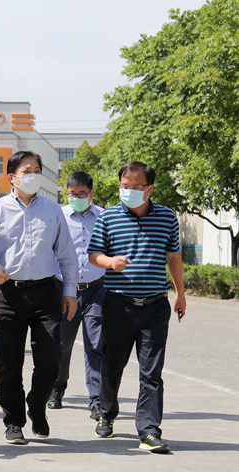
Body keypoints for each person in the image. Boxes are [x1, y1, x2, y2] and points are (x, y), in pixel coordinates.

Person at [0, 150, 78, 445]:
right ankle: (14, 421)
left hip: (45, 293)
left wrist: (70, 292)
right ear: (12, 177)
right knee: (7, 363)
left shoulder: (52, 210)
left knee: (51, 357)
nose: (33, 175)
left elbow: (67, 254)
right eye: (26, 170)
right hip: (6, 293)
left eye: (36, 170)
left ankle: (37, 406)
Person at [88, 161, 185, 454]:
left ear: (149, 188)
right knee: (111, 366)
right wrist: (110, 262)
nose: (128, 191)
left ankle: (149, 431)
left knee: (152, 372)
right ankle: (107, 413)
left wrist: (180, 293)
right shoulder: (108, 217)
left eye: (135, 186)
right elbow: (94, 255)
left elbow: (174, 256)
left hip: (155, 306)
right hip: (118, 304)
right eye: (124, 186)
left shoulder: (167, 217)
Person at [47, 172, 105, 420]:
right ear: (66, 193)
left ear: (91, 193)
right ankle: (57, 389)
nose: (77, 198)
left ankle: (97, 400)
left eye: (82, 194)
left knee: (96, 344)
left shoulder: (104, 217)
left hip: (97, 290)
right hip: (64, 290)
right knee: (61, 344)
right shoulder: (57, 216)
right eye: (73, 194)